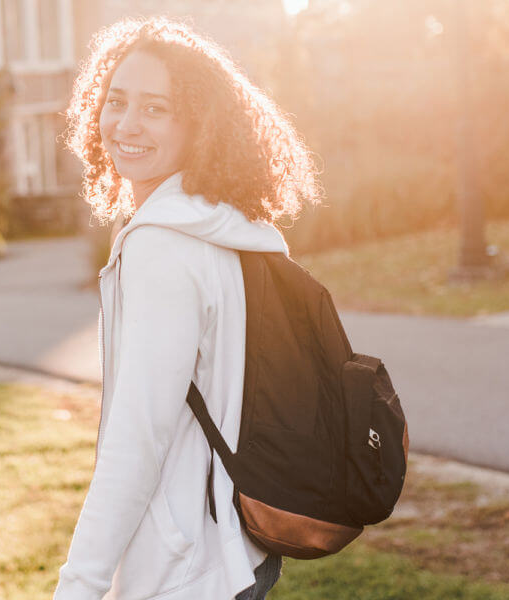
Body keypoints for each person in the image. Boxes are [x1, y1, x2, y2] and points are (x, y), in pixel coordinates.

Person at [52, 16, 321, 600]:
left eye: (156, 108)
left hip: (187, 568)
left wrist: (79, 584)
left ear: (195, 123)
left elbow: (139, 435)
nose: (126, 124)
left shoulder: (163, 245)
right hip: (241, 546)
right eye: (116, 101)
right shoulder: (227, 225)